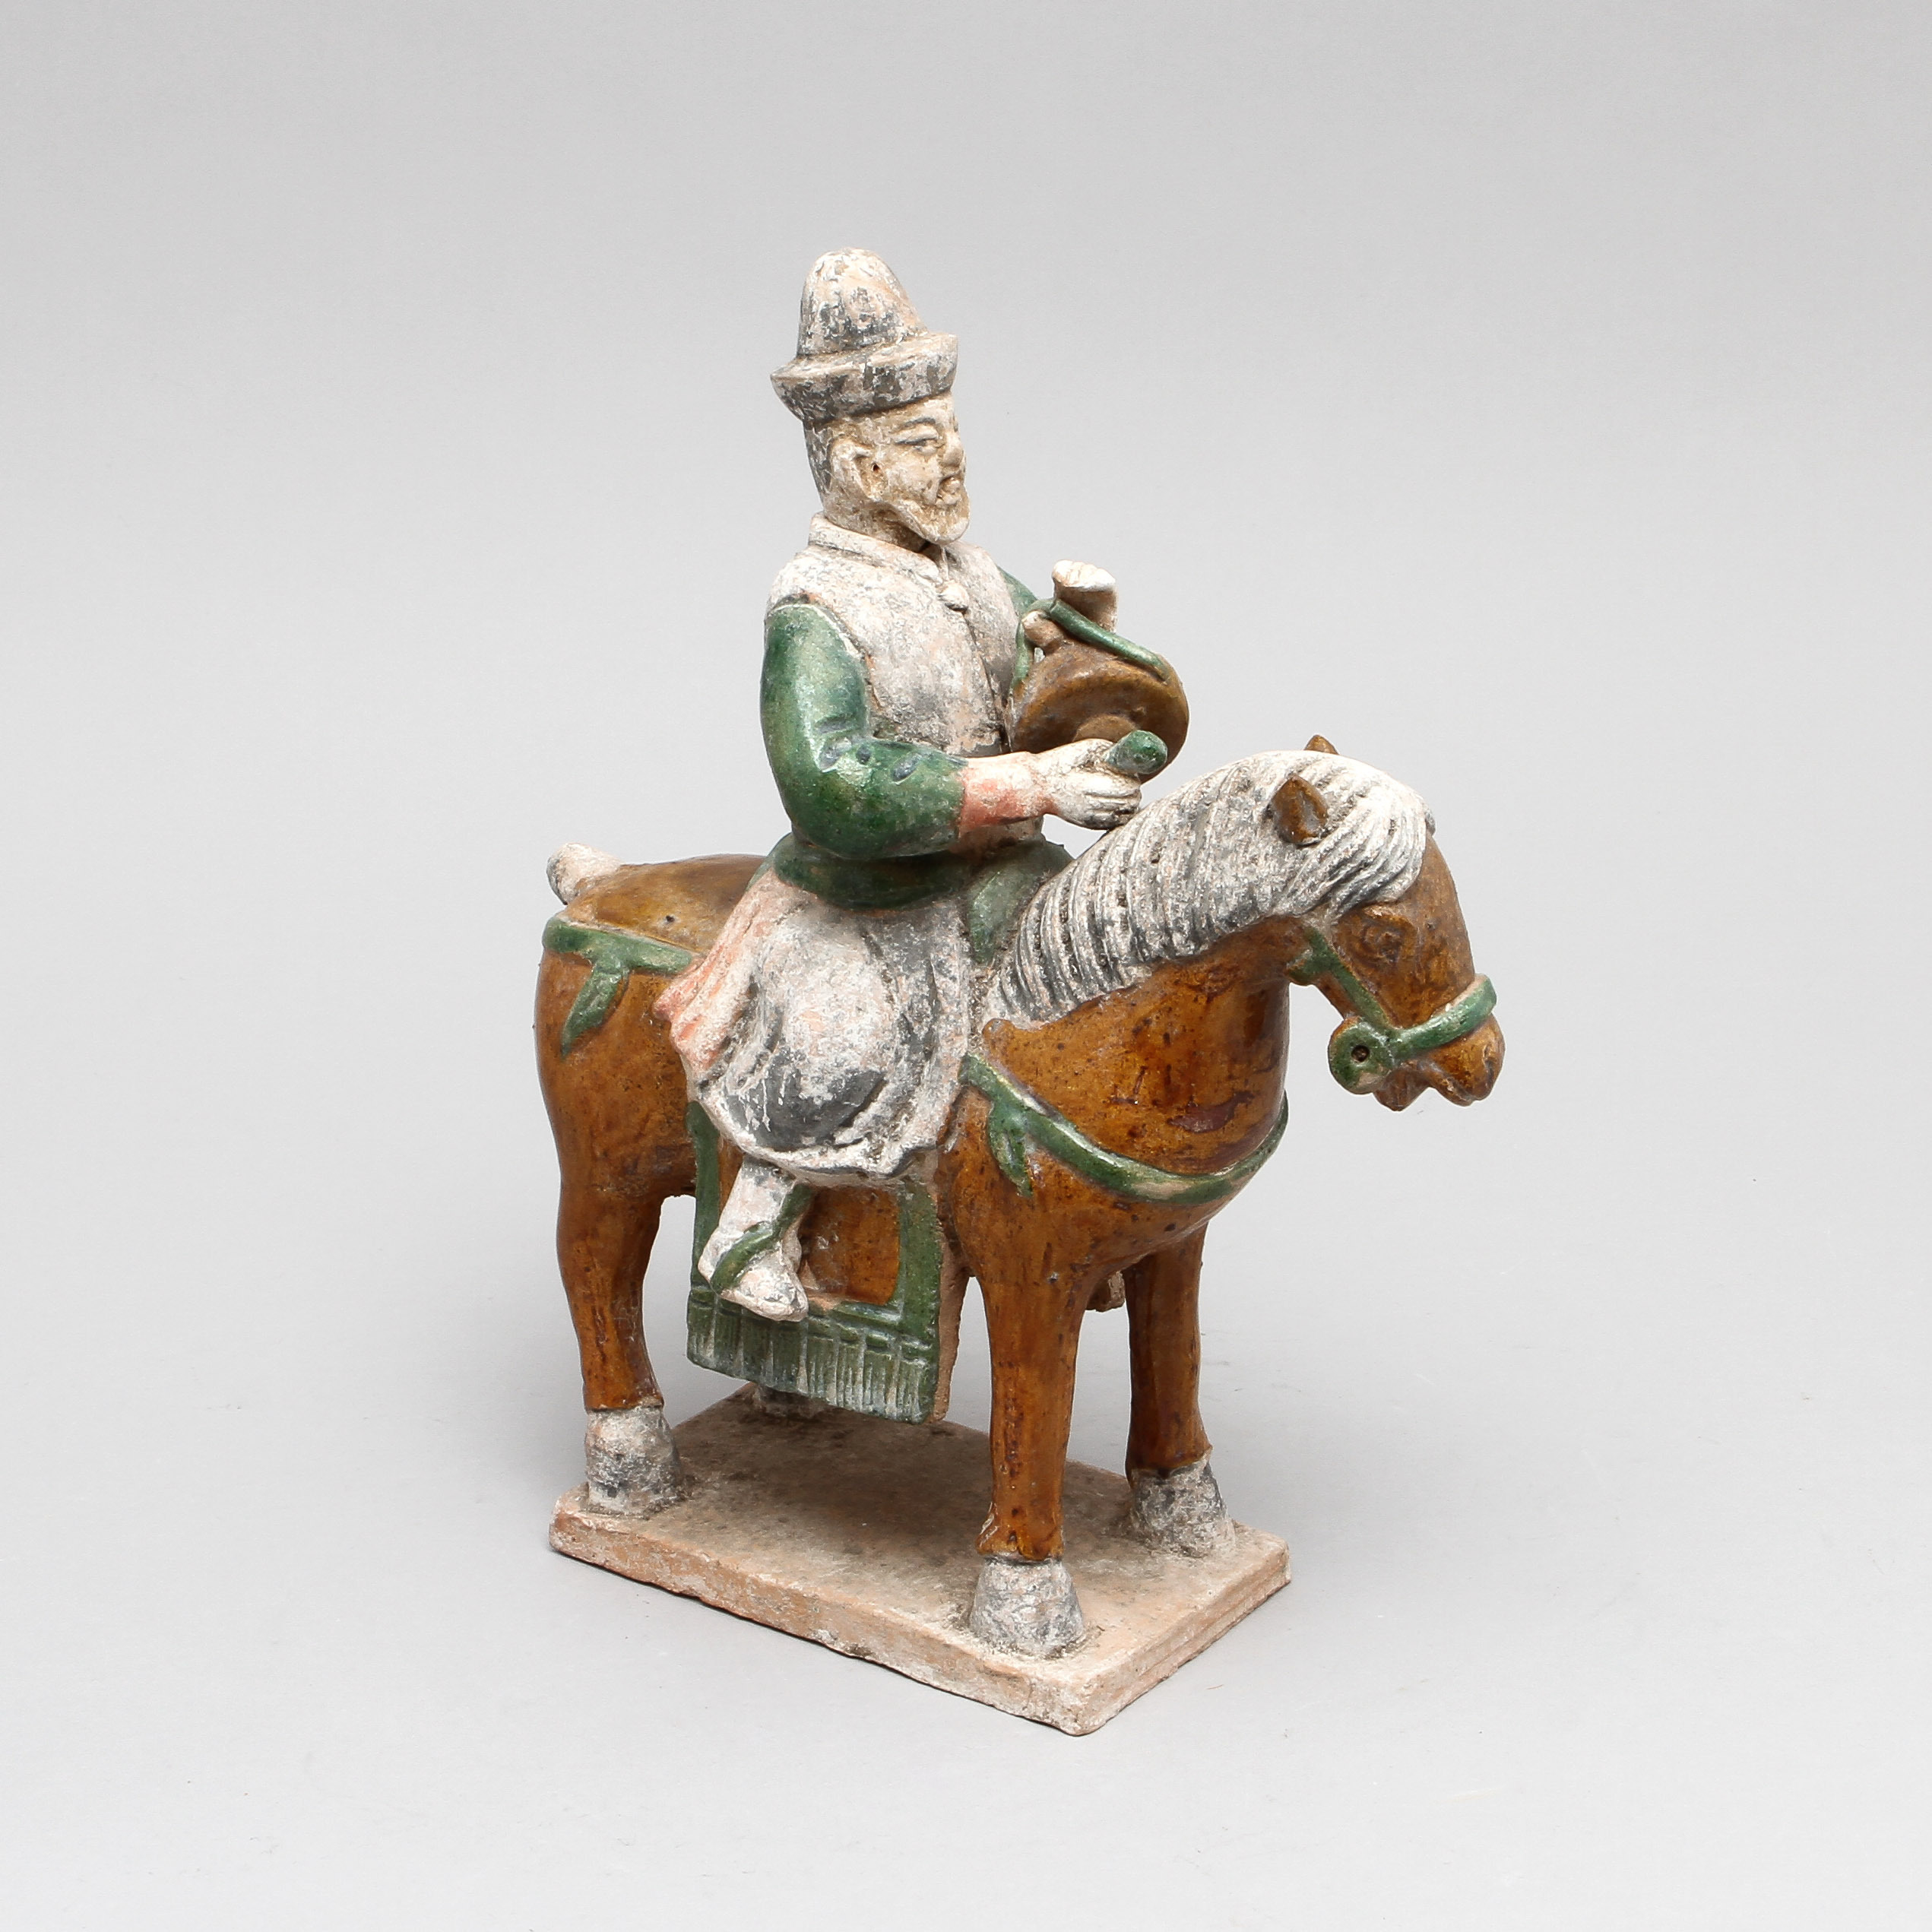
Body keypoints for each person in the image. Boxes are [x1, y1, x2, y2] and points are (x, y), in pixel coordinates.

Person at [657, 249, 1145, 1321]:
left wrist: (1091, 658)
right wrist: (1027, 785)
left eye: (952, 434)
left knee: (1094, 980)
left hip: (999, 872)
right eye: (923, 444)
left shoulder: (969, 572)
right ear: (857, 463)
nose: (953, 460)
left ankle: (1070, 1198)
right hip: (866, 896)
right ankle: (754, 1220)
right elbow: (830, 781)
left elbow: (1040, 681)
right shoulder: (817, 606)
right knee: (840, 1042)